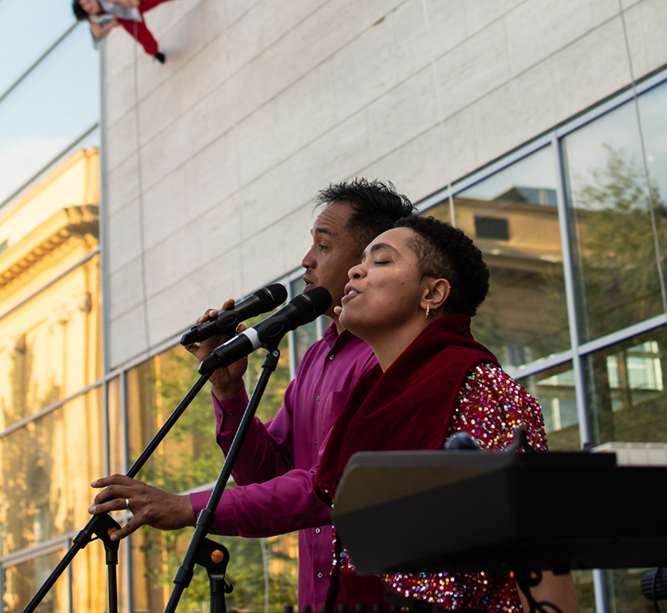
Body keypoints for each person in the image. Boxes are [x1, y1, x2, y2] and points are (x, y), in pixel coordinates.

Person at [87, 179, 415, 611]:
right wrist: (228, 390)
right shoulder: (317, 358)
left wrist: (188, 507)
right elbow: (265, 477)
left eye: (324, 245)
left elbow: (329, 486)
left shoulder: (391, 355)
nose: (307, 260)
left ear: (366, 263)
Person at [315, 215, 580, 613]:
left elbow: (537, 550)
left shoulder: (480, 388)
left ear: (434, 293)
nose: (356, 269)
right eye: (361, 261)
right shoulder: (367, 399)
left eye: (382, 261)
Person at [72, 0, 223, 63]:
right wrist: (111, 24)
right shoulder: (92, 18)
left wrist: (130, 2)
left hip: (135, 1)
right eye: (84, 5)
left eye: (88, 1)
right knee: (147, 42)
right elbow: (98, 34)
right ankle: (155, 53)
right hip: (126, 20)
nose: (88, 6)